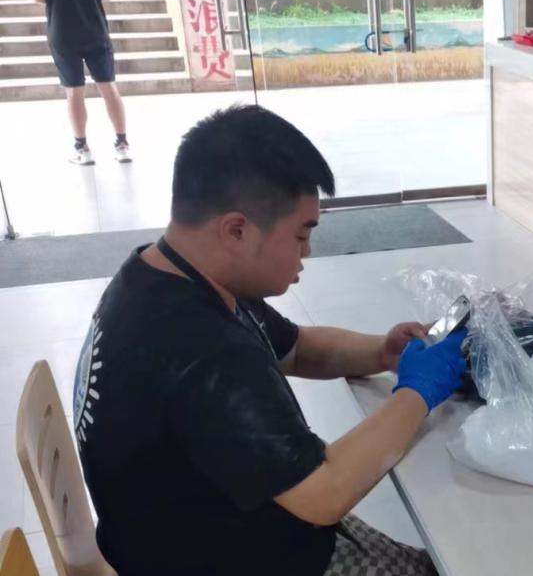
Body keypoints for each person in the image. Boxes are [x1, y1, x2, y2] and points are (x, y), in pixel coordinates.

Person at [73, 105, 465, 575]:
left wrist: (382, 352)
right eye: (301, 234)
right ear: (236, 230)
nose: (307, 252)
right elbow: (324, 494)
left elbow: (296, 348)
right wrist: (417, 392)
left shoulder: (165, 274)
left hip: (227, 527)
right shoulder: (200, 347)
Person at [26, 0, 131, 165]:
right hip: (95, 28)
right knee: (108, 87)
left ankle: (82, 149)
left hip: (62, 30)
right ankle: (122, 145)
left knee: (74, 91)